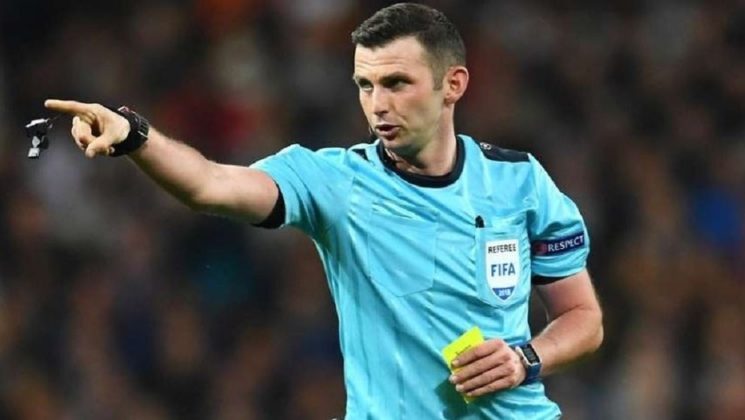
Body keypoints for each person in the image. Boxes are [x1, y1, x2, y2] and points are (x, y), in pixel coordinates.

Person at [45, 3, 603, 418]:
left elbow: (583, 318)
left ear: (452, 84)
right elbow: (210, 185)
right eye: (365, 85)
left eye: (397, 83)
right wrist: (135, 136)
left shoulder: (519, 181)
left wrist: (527, 359)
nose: (378, 105)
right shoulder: (334, 182)